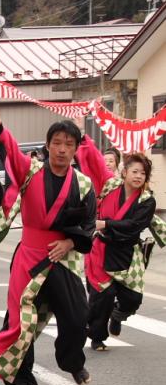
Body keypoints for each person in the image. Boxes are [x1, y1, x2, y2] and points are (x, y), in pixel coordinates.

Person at [0, 92, 96, 385]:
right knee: (21, 320)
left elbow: (89, 226)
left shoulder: (83, 185)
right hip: (30, 254)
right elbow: (10, 153)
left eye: (68, 144)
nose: (62, 149)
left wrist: (70, 241)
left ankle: (72, 361)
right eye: (56, 142)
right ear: (47, 145)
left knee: (77, 316)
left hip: (65, 257)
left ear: (75, 148)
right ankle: (22, 378)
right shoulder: (29, 171)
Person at [76, 136, 166, 349]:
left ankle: (118, 315)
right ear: (124, 172)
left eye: (143, 173)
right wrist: (81, 137)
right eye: (135, 171)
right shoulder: (110, 185)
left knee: (133, 298)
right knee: (102, 296)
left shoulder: (147, 200)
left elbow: (133, 226)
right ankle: (97, 337)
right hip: (102, 249)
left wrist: (104, 224)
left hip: (129, 253)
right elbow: (96, 163)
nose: (139, 176)